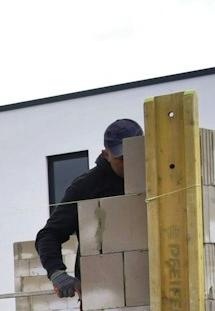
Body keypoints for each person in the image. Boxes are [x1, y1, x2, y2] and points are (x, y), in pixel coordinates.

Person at [35, 117, 141, 300]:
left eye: (136, 155)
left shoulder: (162, 177)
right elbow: (48, 235)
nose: (129, 163)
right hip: (102, 294)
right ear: (106, 155)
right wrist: (57, 273)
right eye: (122, 158)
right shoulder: (87, 187)